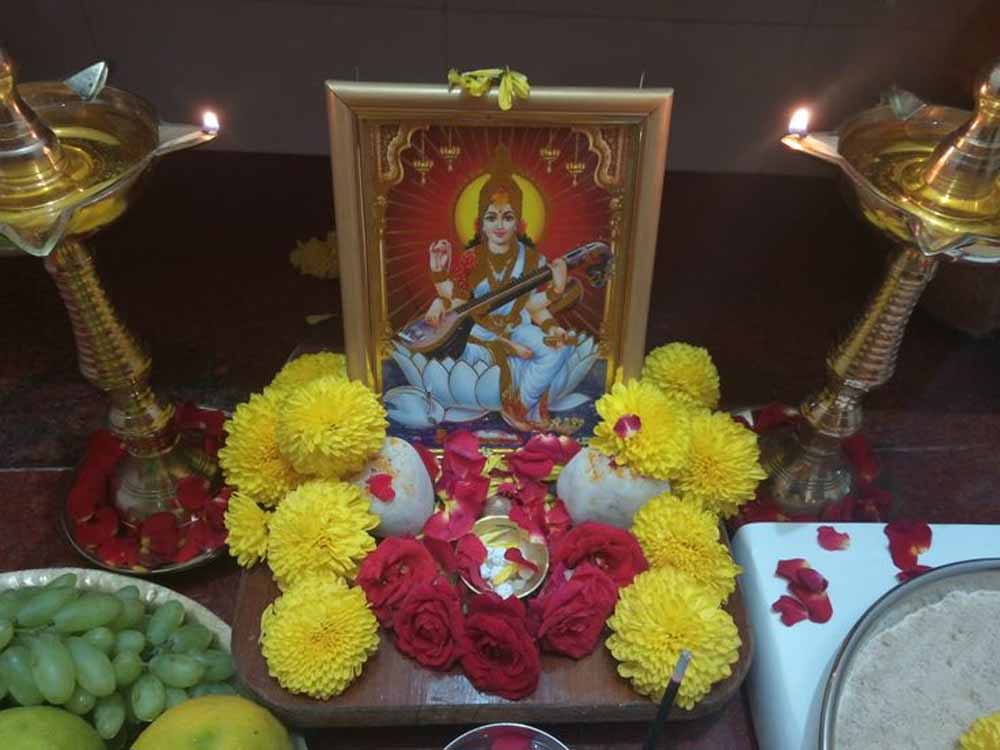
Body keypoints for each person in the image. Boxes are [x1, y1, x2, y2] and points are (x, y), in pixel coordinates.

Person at [422, 145, 576, 431]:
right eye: (492, 217)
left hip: (517, 327)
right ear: (480, 223)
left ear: (519, 223)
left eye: (508, 217)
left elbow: (532, 308)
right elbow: (459, 302)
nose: (500, 225)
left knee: (560, 349)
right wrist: (438, 274)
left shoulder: (533, 260)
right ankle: (518, 402)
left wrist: (553, 319)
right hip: (480, 333)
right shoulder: (472, 258)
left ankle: (520, 405)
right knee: (485, 358)